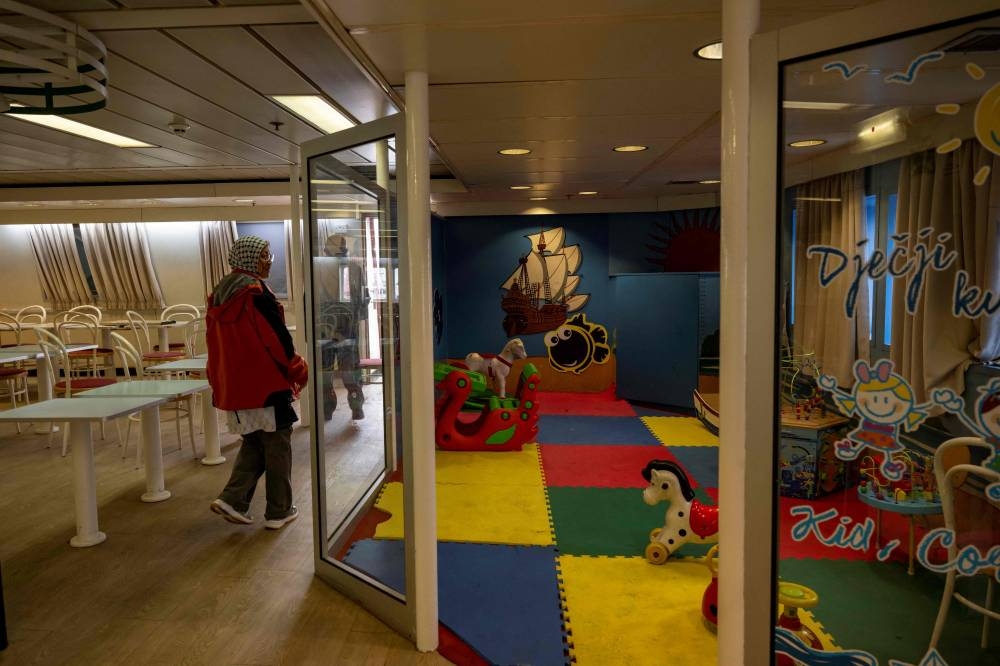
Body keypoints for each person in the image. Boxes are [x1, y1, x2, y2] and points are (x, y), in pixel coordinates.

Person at [205, 235, 308, 530]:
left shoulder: (219, 294)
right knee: (278, 443)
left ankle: (233, 499)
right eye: (264, 255)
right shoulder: (255, 295)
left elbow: (212, 344)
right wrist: (297, 369)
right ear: (250, 259)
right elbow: (275, 340)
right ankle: (279, 510)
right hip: (266, 383)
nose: (268, 261)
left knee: (255, 440)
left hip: (235, 385)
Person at [317, 233, 370, 424]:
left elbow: (363, 297)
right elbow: (364, 299)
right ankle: (352, 408)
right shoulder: (352, 268)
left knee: (331, 374)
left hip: (327, 329)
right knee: (344, 373)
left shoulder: (318, 269)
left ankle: (330, 410)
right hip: (339, 329)